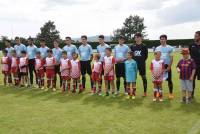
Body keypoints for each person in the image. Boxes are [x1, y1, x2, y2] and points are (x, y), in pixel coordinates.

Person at [156, 35, 174, 100]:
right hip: (159, 66)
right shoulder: (157, 48)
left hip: (167, 66)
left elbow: (171, 58)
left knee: (169, 80)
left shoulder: (170, 48)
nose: (162, 40)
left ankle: (170, 93)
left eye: (163, 39)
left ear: (166, 39)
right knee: (158, 81)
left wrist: (169, 66)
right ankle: (159, 92)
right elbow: (156, 58)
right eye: (161, 39)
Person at [130, 32, 148, 97]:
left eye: (137, 37)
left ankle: (145, 92)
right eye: (135, 37)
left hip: (142, 64)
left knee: (143, 77)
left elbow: (146, 56)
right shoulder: (132, 46)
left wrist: (141, 62)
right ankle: (133, 92)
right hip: (134, 65)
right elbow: (131, 55)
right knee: (133, 78)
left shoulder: (144, 46)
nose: (136, 38)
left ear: (140, 38)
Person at [189, 31, 200, 98]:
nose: (194, 37)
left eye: (196, 36)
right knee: (192, 80)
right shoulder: (191, 45)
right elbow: (189, 55)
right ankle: (191, 94)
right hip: (193, 66)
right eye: (194, 35)